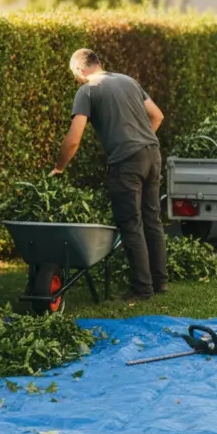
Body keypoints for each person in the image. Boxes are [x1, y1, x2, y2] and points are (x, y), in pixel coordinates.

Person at [50, 48, 167, 300]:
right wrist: (142, 142)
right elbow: (157, 116)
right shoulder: (128, 81)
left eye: (75, 75)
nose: (77, 80)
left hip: (127, 162)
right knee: (152, 219)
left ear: (81, 70)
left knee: (131, 224)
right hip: (152, 153)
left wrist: (59, 168)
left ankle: (142, 289)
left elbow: (73, 139)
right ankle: (160, 282)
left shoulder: (88, 90)